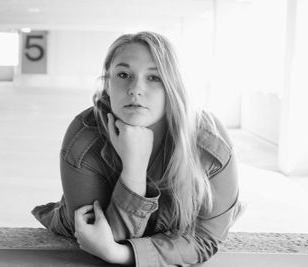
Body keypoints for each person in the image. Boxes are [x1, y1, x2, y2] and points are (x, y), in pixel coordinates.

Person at [32, 31, 243, 266]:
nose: (135, 89)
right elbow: (98, 237)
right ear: (107, 84)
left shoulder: (209, 144)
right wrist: (133, 169)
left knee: (215, 211)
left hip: (172, 219)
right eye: (123, 74)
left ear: (174, 87)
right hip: (97, 211)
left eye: (154, 78)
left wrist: (120, 254)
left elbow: (205, 239)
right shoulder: (84, 137)